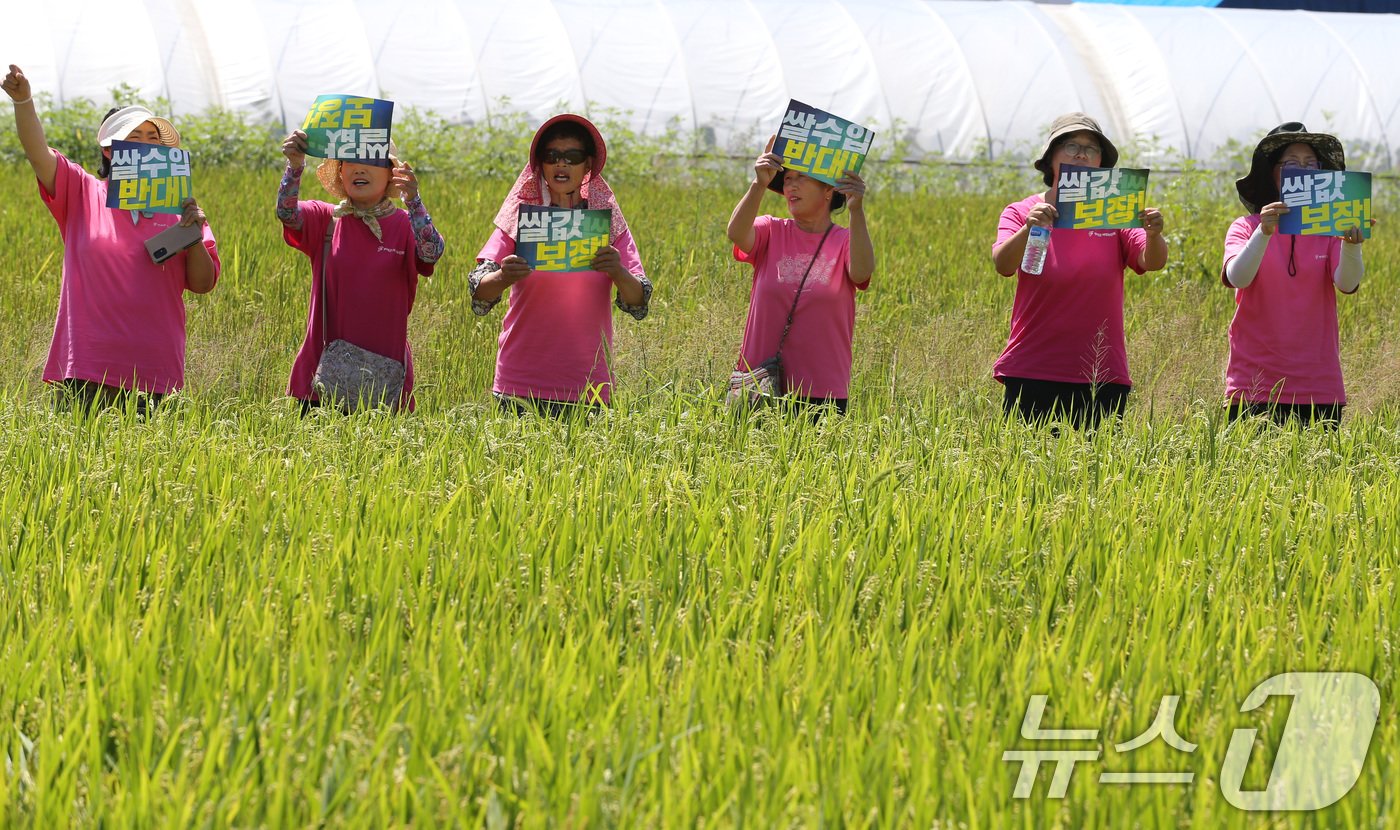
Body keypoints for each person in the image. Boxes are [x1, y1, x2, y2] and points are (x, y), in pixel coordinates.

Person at [3, 64, 219, 414]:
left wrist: (193, 235)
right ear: (109, 151)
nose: (147, 147)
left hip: (156, 373)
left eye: (154, 140)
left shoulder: (180, 210)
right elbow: (37, 153)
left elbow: (203, 283)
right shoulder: (82, 192)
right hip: (87, 367)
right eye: (134, 139)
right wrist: (24, 100)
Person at [990, 112, 1168, 429]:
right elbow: (1003, 264)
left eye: (1091, 148)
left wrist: (1154, 235)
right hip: (1032, 367)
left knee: (1095, 472)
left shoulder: (1115, 211)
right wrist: (1029, 228)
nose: (1082, 153)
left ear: (1101, 162)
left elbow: (1151, 261)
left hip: (1102, 372)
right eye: (1071, 145)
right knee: (1023, 474)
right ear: (1051, 158)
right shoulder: (1021, 211)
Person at [469, 113, 650, 416]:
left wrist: (617, 271)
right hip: (520, 382)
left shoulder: (607, 224)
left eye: (572, 156)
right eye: (552, 156)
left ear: (588, 165)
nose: (561, 164)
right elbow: (479, 291)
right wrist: (503, 276)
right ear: (541, 164)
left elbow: (638, 298)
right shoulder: (521, 220)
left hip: (588, 385)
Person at [276, 129, 445, 413]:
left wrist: (414, 201)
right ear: (341, 173)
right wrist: (295, 166)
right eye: (349, 162)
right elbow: (287, 213)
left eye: (371, 161)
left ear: (390, 173)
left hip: (384, 380)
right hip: (321, 378)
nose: (359, 169)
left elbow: (432, 252)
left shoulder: (405, 226)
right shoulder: (326, 220)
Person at [1221, 123, 1367, 428]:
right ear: (1272, 174)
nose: (1302, 170)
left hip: (1318, 387)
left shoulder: (1329, 230)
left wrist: (1352, 247)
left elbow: (1347, 282)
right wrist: (1263, 233)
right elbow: (1238, 277)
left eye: (1310, 164)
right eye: (1291, 163)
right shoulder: (1246, 226)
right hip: (1253, 385)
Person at [724, 136, 873, 415]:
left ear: (828, 189)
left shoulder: (844, 241)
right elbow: (736, 232)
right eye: (787, 179)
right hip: (759, 385)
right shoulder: (771, 230)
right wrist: (759, 184)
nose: (791, 186)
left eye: (801, 177)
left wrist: (857, 210)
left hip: (823, 392)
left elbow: (862, 272)